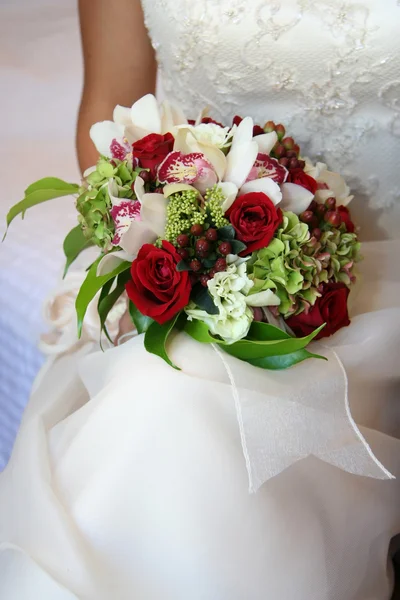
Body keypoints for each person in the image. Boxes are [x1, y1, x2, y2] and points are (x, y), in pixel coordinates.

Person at [0, 1, 400, 598]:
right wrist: (169, 246)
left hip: (379, 278)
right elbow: (109, 102)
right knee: (161, 395)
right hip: (205, 263)